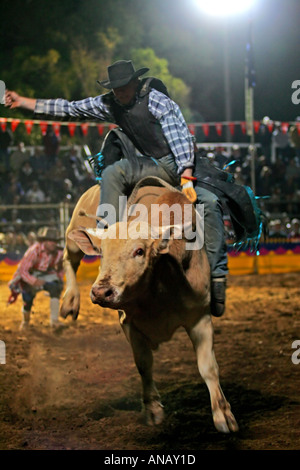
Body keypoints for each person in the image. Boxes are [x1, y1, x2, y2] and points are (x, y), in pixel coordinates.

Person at [5, 59, 228, 317]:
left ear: (135, 83)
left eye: (124, 86)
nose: (120, 92)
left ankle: (218, 276)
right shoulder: (110, 102)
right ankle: (107, 235)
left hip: (176, 162)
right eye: (115, 88)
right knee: (113, 171)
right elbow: (69, 108)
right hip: (148, 163)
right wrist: (23, 102)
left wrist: (187, 175)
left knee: (210, 203)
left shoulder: (158, 101)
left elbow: (180, 137)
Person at [8, 226, 64, 330]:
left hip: (47, 275)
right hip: (30, 275)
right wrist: (34, 281)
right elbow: (23, 270)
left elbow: (61, 267)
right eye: (50, 240)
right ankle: (25, 321)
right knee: (28, 297)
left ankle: (54, 321)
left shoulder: (59, 252)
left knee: (55, 288)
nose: (53, 243)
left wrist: (60, 280)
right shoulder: (34, 250)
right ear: (44, 241)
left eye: (55, 241)